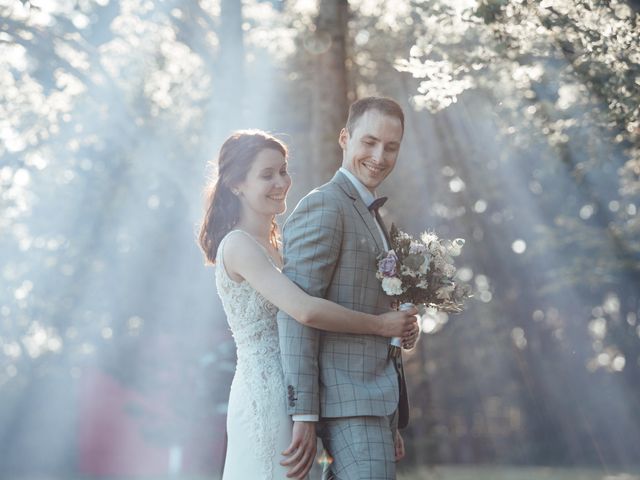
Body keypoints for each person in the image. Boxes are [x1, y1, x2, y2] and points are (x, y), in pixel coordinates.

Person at [198, 129, 419, 480]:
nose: (281, 182)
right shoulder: (238, 246)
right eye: (267, 174)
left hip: (306, 393)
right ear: (236, 185)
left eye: (283, 170)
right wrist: (381, 324)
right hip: (267, 395)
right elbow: (305, 310)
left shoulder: (282, 246)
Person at [277, 97, 415, 480]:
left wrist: (402, 326)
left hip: (374, 405)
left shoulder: (370, 212)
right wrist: (303, 413)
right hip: (343, 405)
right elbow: (296, 312)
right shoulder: (325, 205)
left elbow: (365, 301)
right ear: (344, 138)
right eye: (369, 142)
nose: (379, 156)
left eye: (391, 147)